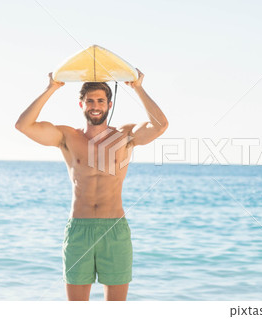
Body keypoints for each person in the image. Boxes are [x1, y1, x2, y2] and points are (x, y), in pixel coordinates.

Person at [15, 69, 168, 301]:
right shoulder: (66, 137)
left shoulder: (125, 135)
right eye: (89, 101)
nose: (95, 105)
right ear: (81, 105)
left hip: (114, 229)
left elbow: (160, 125)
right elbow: (23, 125)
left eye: (100, 100)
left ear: (109, 103)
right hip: (79, 230)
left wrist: (137, 87)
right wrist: (52, 88)